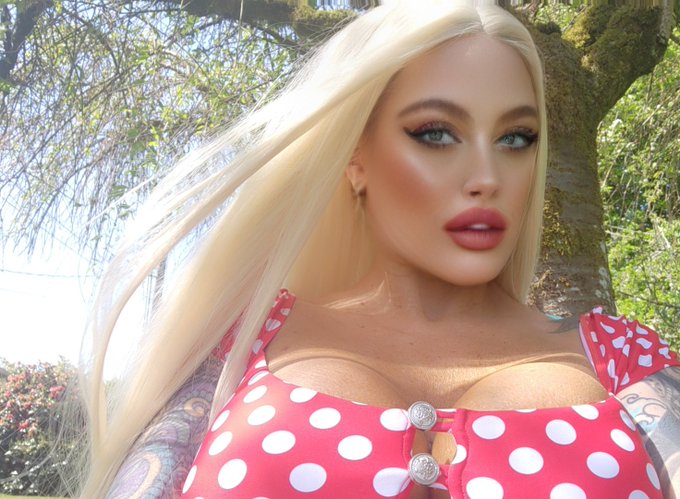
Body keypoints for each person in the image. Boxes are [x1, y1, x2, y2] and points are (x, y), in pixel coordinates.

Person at [73, 1, 680, 498]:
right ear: (355, 158)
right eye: (436, 133)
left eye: (516, 138)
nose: (487, 177)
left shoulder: (625, 358)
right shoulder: (240, 344)